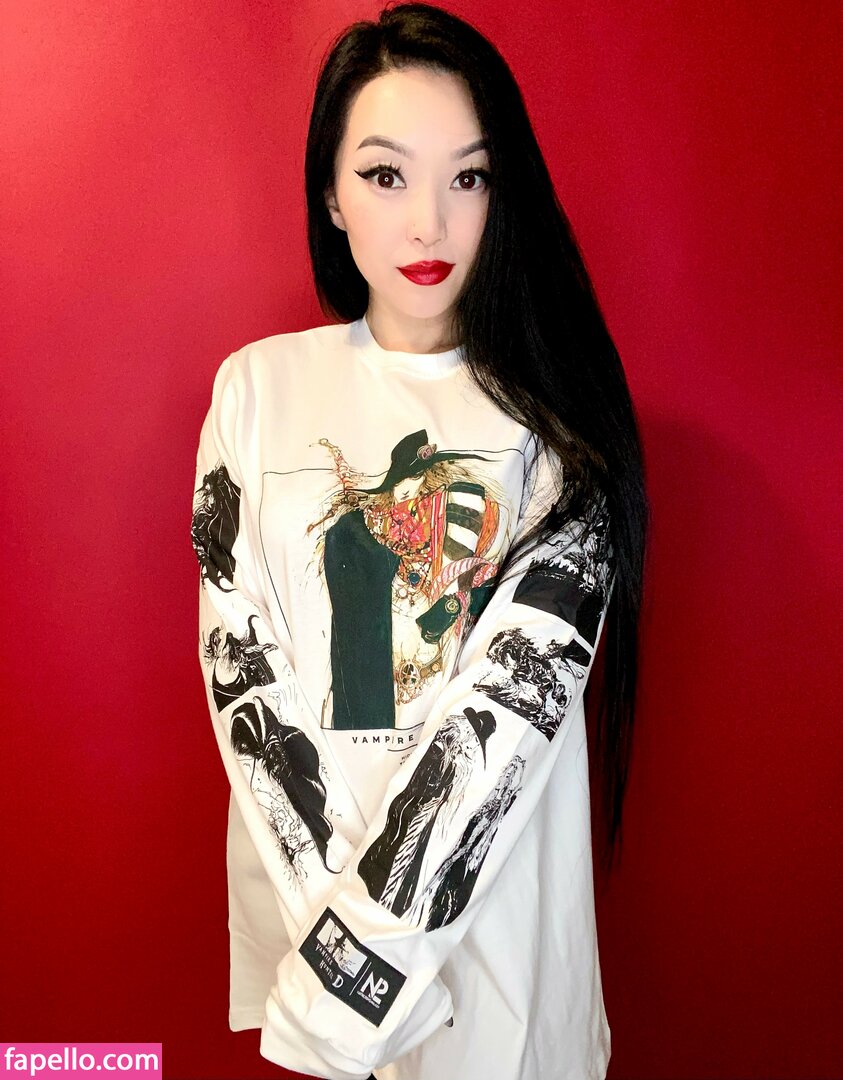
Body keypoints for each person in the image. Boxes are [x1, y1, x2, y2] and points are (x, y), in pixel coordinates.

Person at [190, 3, 649, 1079]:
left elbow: (507, 720)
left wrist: (355, 977)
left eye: (469, 177)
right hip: (309, 936)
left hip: (496, 961)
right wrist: (337, 975)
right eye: (387, 175)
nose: (429, 224)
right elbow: (243, 674)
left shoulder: (560, 430)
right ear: (331, 194)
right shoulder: (257, 390)